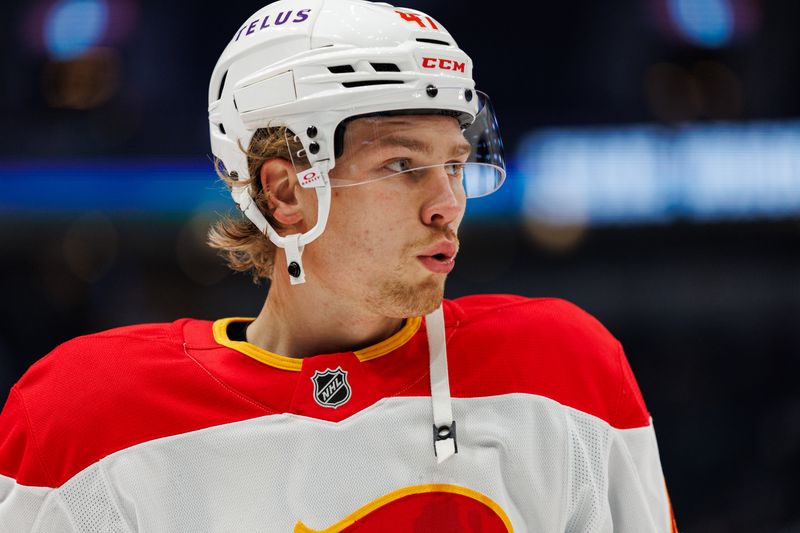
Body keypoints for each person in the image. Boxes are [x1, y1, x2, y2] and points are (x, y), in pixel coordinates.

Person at [0, 0, 678, 531]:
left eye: (454, 163)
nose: (448, 203)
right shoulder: (88, 420)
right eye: (403, 165)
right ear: (287, 192)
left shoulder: (562, 374)